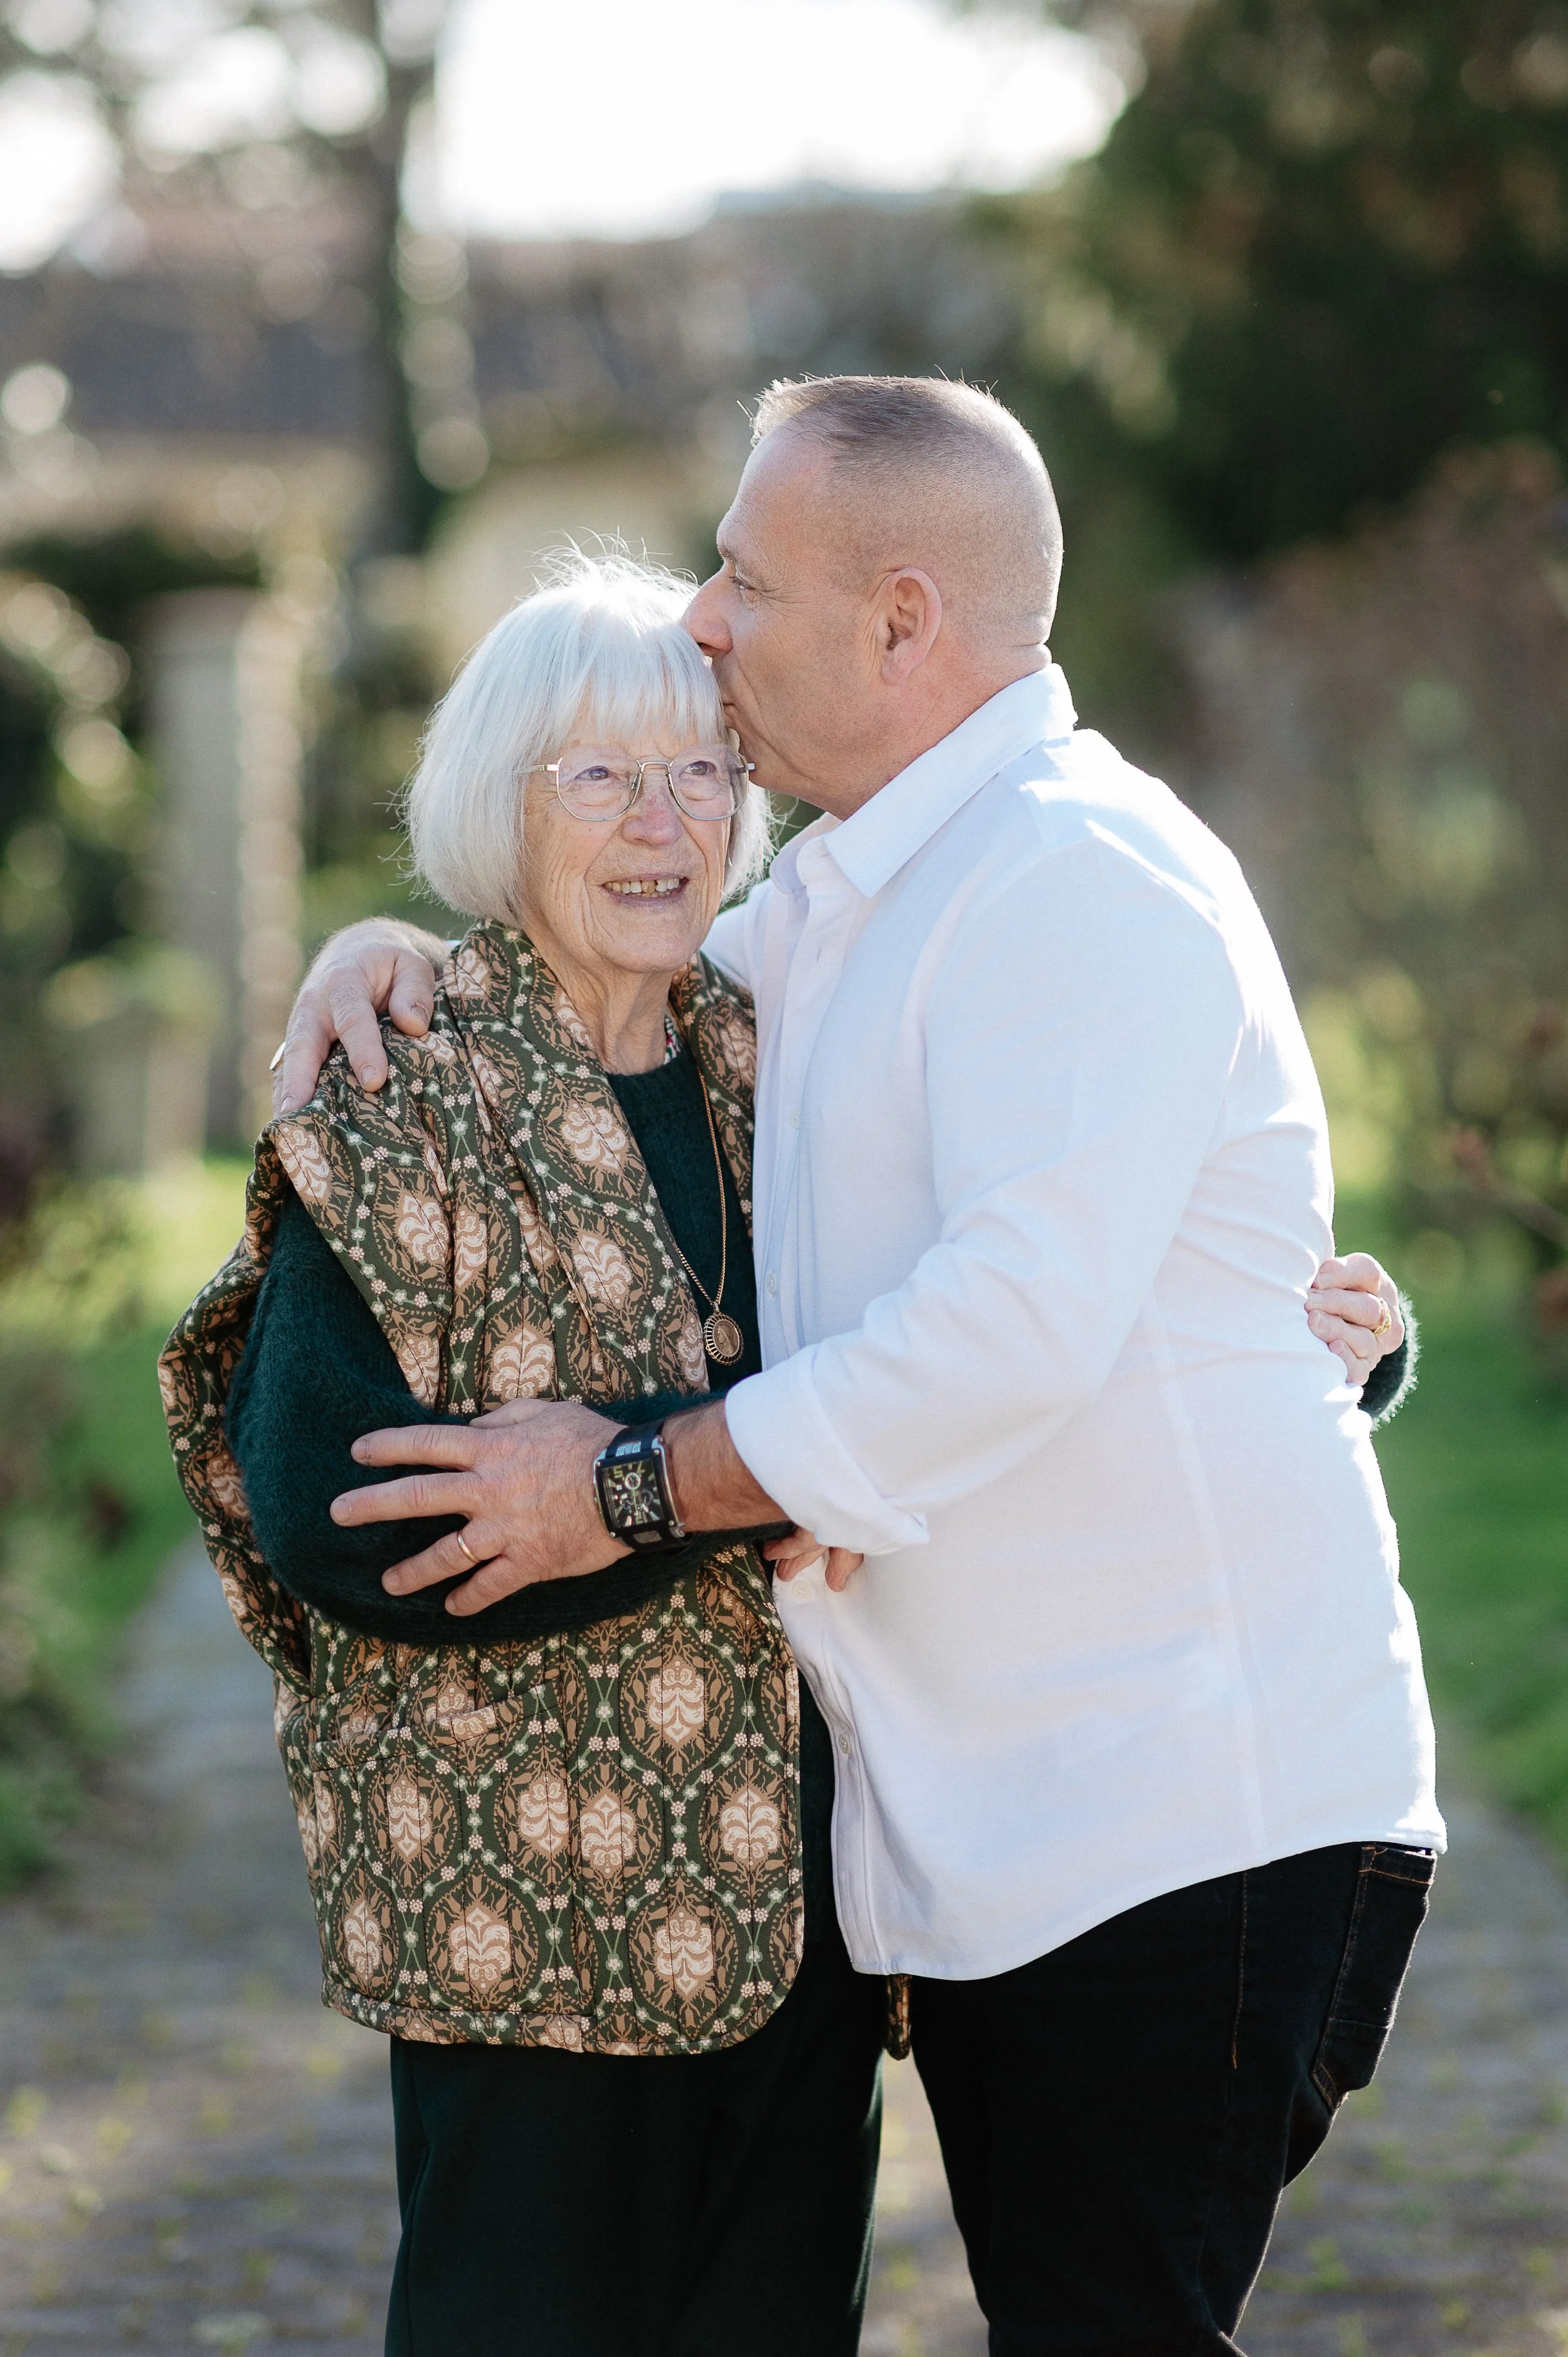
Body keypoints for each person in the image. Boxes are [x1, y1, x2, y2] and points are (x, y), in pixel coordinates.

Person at [270, 379, 1433, 2357]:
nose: (708, 622)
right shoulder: (838, 914)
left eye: (741, 574)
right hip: (956, 1856)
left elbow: (1007, 1327)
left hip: (1171, 1820)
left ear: (900, 619)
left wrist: (628, 1485)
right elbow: (589, 1002)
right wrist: (388, 950)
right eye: (713, 577)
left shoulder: (1070, 874)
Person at [161, 558, 889, 2357]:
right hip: (523, 1924)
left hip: (804, 1916)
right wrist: (728, 1487)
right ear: (496, 808)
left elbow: (987, 1316)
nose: (666, 821)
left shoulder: (783, 1057)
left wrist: (1282, 1326)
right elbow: (344, 1516)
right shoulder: (406, 1078)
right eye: (600, 776)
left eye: (707, 771)